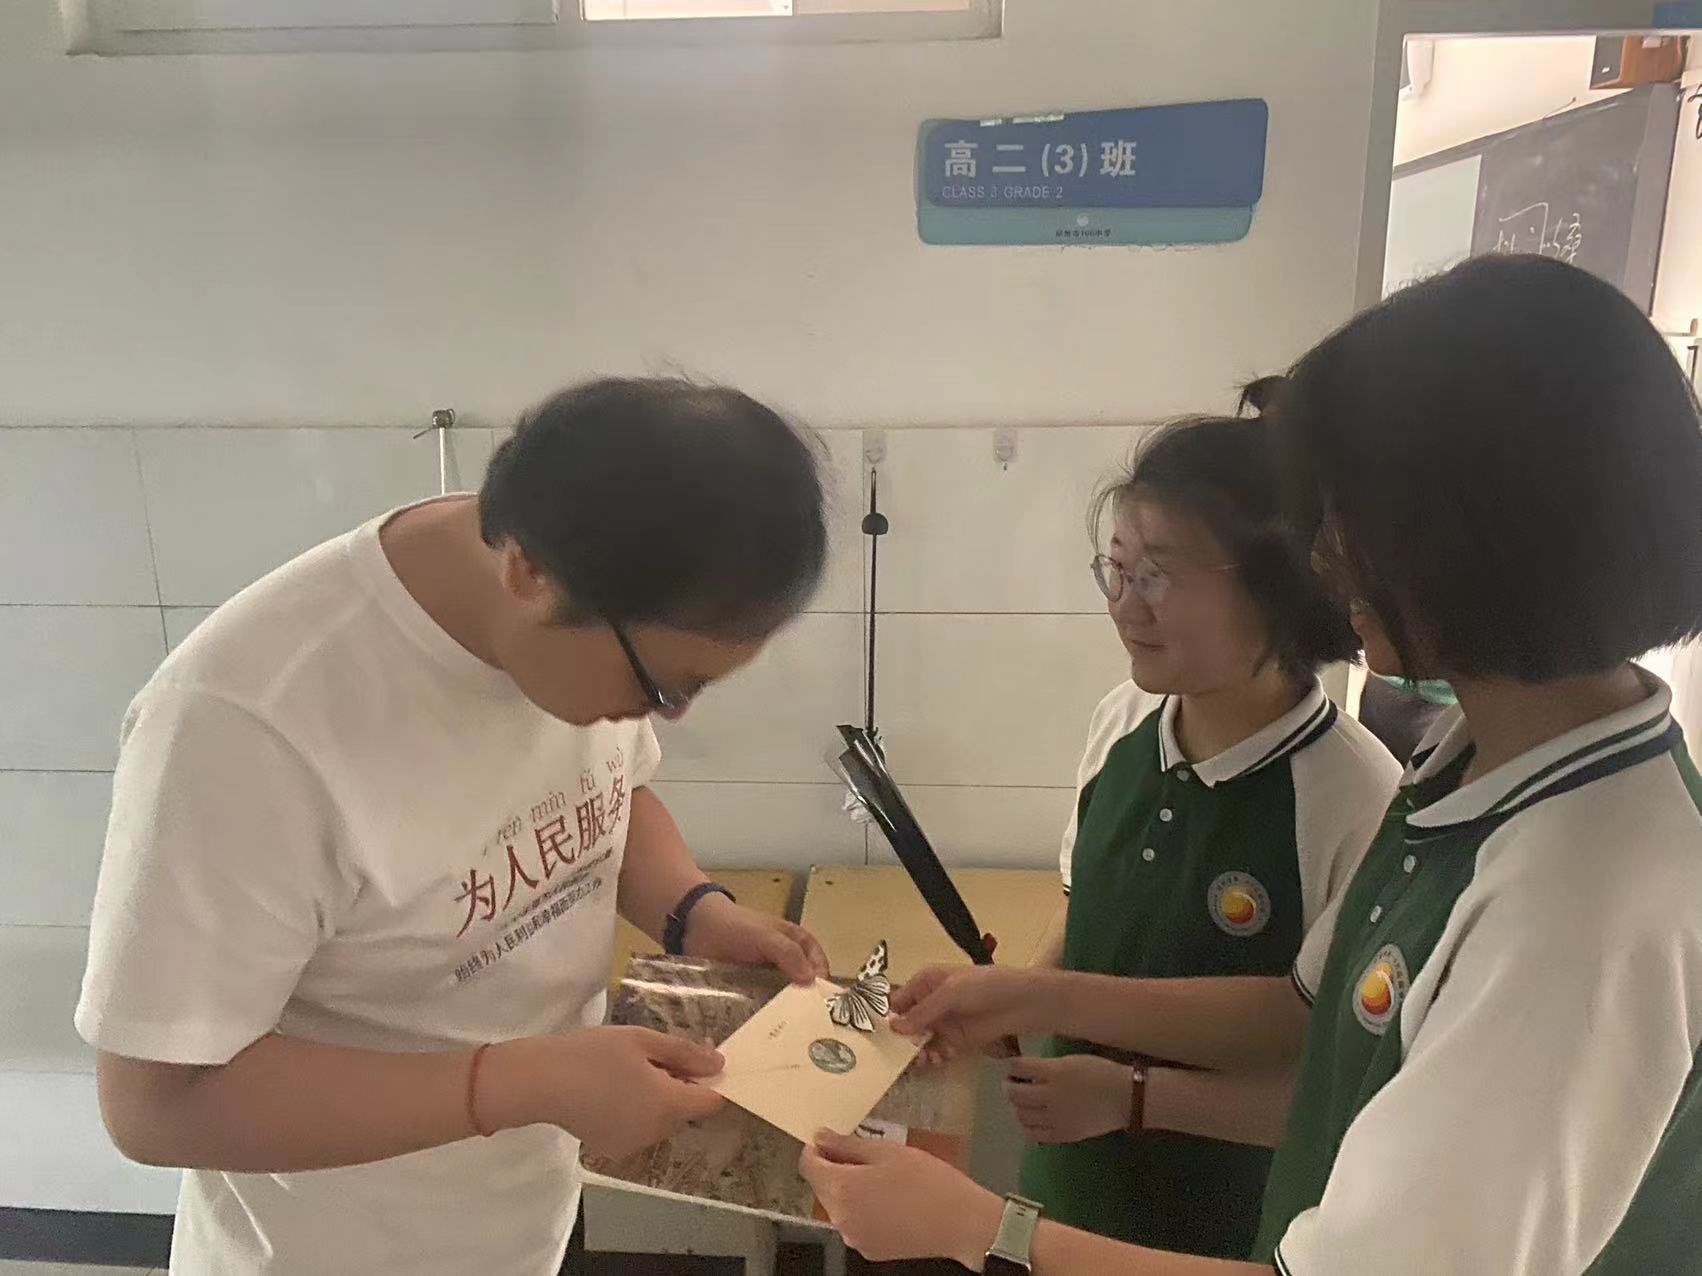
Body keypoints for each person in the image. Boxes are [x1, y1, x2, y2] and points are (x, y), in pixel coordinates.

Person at [802, 255, 1702, 1275]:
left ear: (1480, 534)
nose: (1323, 561)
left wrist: (982, 1231)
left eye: (1348, 521)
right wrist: (1032, 998)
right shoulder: (1466, 779)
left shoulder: (1581, 904)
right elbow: (1313, 1026)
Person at [76, 377, 834, 1276]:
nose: (668, 715)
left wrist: (695, 913)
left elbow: (613, 799)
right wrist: (521, 1082)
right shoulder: (245, 726)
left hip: (517, 1225)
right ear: (529, 574)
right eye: (664, 686)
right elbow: (156, 1106)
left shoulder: (582, 579)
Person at [1008, 416, 1400, 1257]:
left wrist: (1129, 1093)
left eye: (1156, 575)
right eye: (1117, 569)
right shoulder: (1123, 719)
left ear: (1279, 587)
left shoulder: (1358, 795)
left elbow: (1328, 1072)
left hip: (1223, 1233)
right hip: (1063, 1196)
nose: (1124, 605)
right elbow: (1083, 912)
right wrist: (1006, 1004)